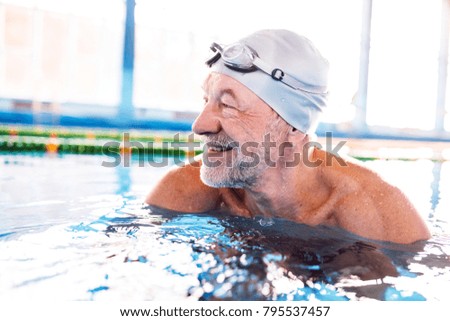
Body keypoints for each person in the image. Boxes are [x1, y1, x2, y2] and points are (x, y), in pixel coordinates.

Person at [146, 29, 430, 244]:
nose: (200, 125)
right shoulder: (183, 191)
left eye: (228, 105)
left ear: (294, 130)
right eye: (206, 100)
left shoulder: (374, 213)